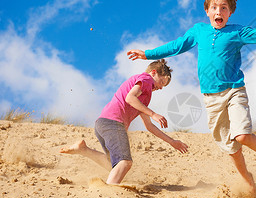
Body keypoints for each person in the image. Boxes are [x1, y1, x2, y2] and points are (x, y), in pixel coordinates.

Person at [127, 0, 256, 197]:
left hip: (233, 91)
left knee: (241, 136)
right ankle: (247, 181)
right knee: (231, 147)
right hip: (211, 99)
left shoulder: (237, 32)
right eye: (214, 7)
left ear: (230, 12)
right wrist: (147, 54)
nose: (218, 12)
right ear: (207, 11)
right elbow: (177, 46)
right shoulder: (198, 31)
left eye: (224, 8)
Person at [60, 59, 188, 184]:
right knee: (125, 162)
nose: (161, 87)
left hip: (103, 124)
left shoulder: (144, 97)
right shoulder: (146, 79)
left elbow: (149, 126)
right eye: (162, 82)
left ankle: (83, 150)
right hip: (113, 123)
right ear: (153, 72)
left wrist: (172, 142)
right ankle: (108, 192)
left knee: (114, 165)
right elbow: (130, 98)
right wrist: (153, 114)